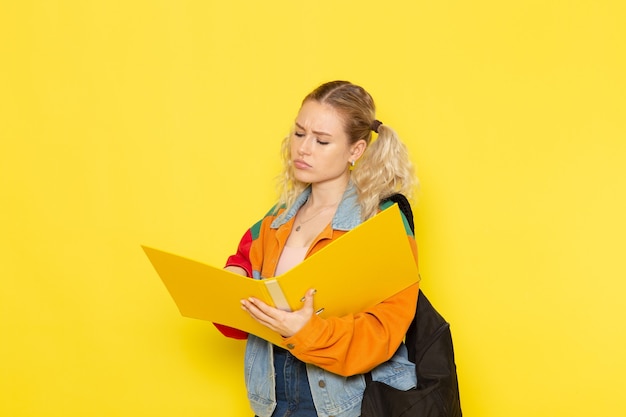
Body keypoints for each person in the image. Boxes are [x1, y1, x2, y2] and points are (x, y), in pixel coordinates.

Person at [218, 80, 420, 417]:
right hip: (271, 400)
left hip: (345, 403)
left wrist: (307, 331)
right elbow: (241, 269)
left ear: (356, 151)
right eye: (299, 134)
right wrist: (231, 282)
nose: (303, 149)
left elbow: (384, 331)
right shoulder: (277, 217)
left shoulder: (382, 224)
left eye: (321, 140)